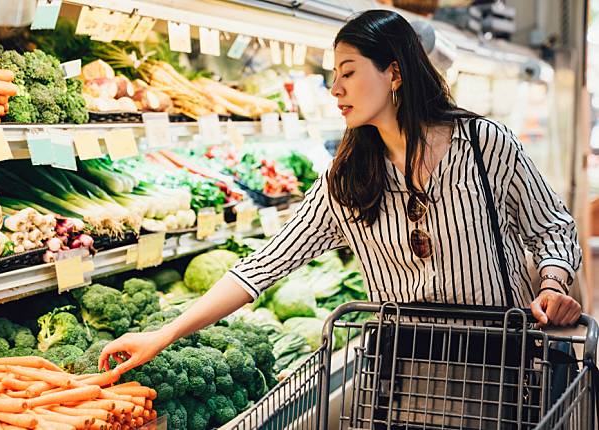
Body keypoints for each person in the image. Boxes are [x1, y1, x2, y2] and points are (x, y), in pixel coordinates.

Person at [99, 10, 583, 376]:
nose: (336, 89)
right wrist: (162, 335)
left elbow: (552, 228)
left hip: (497, 362)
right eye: (334, 76)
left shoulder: (484, 146)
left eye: (348, 72)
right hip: (405, 367)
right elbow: (264, 265)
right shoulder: (348, 179)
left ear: (393, 73)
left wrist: (552, 287)